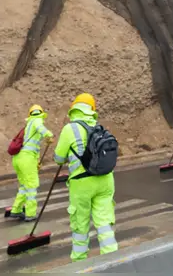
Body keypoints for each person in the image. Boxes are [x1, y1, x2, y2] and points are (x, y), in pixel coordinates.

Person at [52, 93, 118, 262]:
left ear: (74, 109)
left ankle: (80, 262)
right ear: (92, 109)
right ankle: (112, 259)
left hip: (81, 183)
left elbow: (58, 158)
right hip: (105, 180)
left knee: (80, 225)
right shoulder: (97, 126)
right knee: (104, 223)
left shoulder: (69, 129)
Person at [7, 104, 54, 221]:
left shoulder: (28, 125)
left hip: (18, 158)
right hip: (27, 158)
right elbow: (40, 128)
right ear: (41, 114)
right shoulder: (36, 120)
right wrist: (49, 135)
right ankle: (30, 213)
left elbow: (33, 147)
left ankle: (16, 210)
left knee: (24, 185)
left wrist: (36, 162)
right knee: (32, 186)